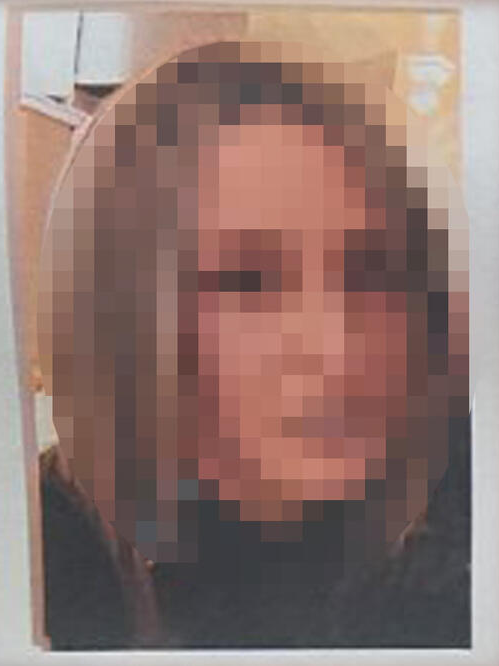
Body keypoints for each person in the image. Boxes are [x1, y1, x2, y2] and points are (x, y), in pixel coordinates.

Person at [36, 41, 470, 648]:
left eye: (368, 270)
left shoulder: (465, 502)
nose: (334, 343)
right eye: (245, 280)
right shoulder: (44, 547)